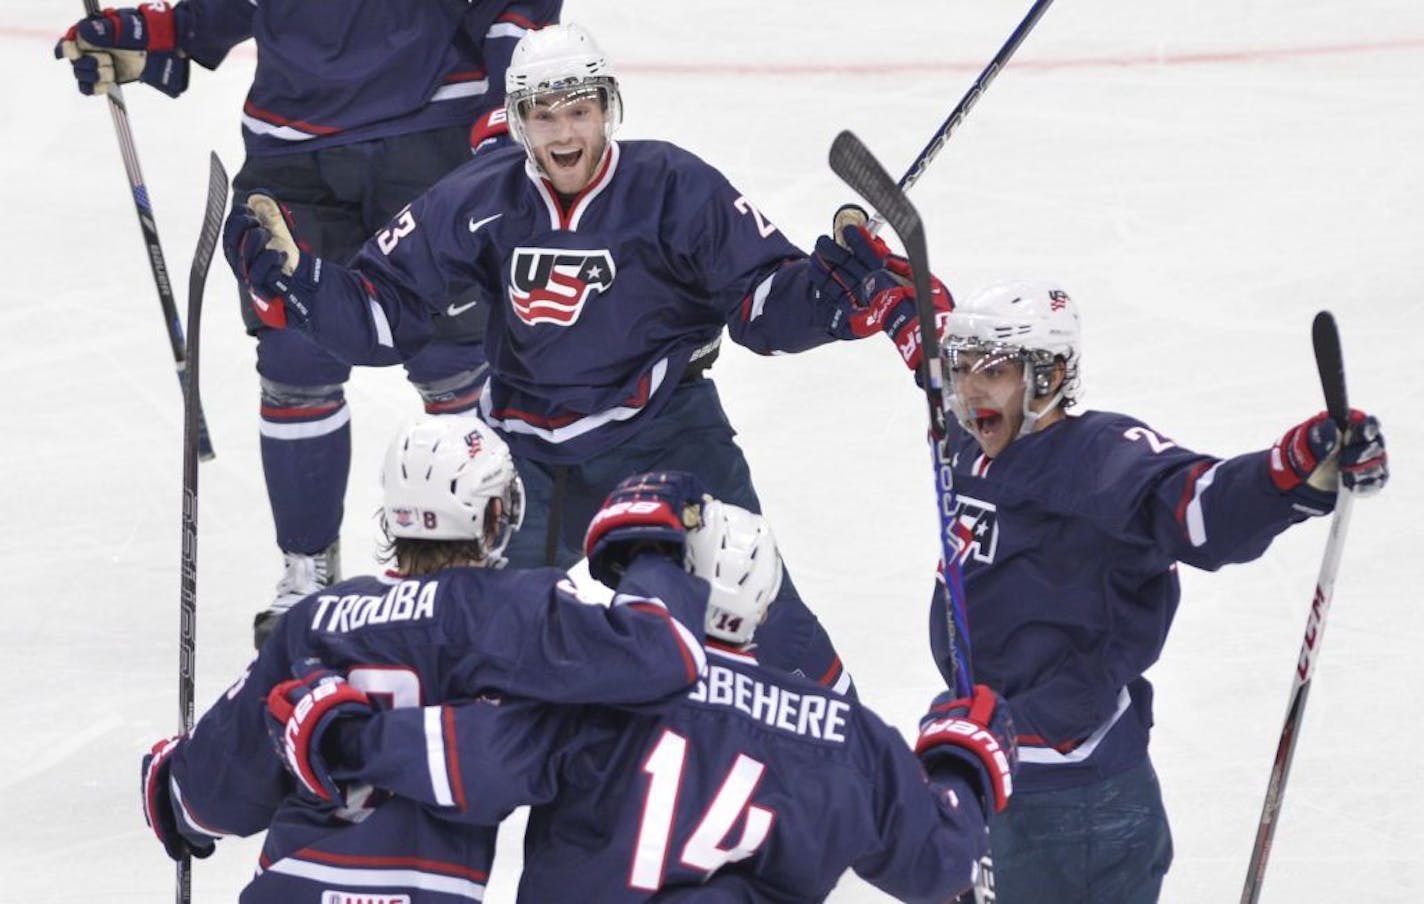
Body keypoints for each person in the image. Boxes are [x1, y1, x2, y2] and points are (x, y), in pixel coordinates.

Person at [220, 21, 953, 692]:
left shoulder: (672, 187)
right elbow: (385, 313)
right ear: (516, 121)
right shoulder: (478, 196)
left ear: (608, 109)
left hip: (666, 437)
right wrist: (301, 284)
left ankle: (854, 775)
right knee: (455, 639)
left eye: (579, 109)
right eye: (544, 112)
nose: (564, 130)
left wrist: (838, 296)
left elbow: (763, 305)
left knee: (765, 626)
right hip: (528, 456)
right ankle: (363, 767)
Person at [56, 0, 563, 648]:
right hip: (291, 151)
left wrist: (509, 102)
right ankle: (308, 571)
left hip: (433, 134)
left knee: (452, 362)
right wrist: (163, 32)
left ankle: (480, 565)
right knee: (297, 357)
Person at [268, 486, 1020, 903]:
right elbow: (938, 865)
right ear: (762, 603)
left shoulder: (602, 695)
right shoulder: (844, 735)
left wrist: (343, 737)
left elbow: (475, 762)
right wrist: (964, 766)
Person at [915, 281, 1390, 902]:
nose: (971, 387)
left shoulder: (1100, 459)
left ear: (1051, 376)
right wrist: (899, 299)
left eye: (995, 370)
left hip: (1075, 806)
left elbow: (1200, 506)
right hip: (993, 768)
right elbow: (925, 363)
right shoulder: (970, 438)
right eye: (963, 368)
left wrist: (1291, 469)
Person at [139, 421, 718, 901]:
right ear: (493, 517)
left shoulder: (314, 619)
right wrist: (650, 553)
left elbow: (202, 797)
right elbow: (664, 654)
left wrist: (172, 790)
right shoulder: (505, 608)